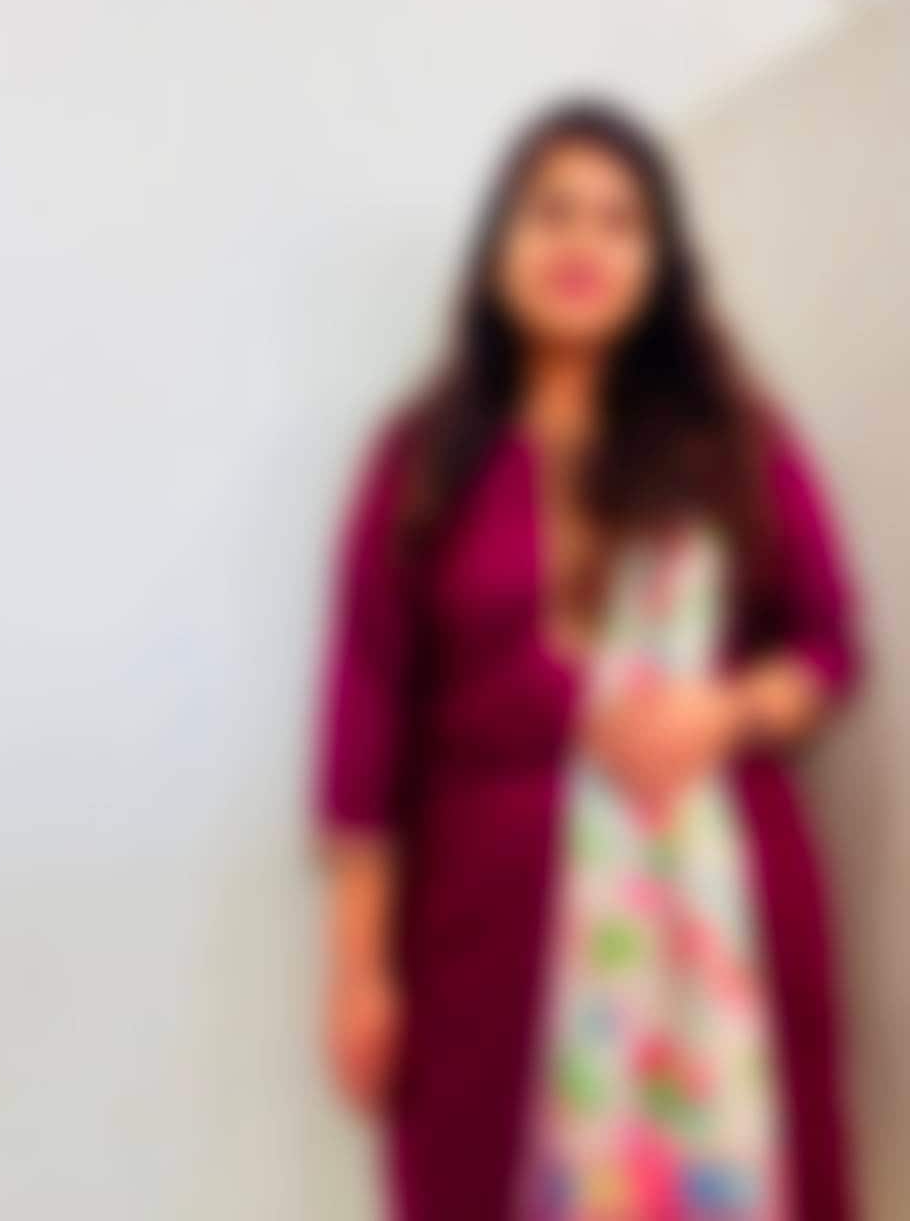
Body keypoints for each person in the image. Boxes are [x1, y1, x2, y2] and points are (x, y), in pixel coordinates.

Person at [315, 100, 861, 1221]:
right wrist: (359, 969)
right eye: (551, 211)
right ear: (497, 250)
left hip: (720, 936)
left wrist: (723, 710)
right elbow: (363, 723)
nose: (581, 242)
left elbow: (829, 643)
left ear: (658, 265)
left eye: (620, 221)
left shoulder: (730, 443)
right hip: (488, 945)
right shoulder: (420, 462)